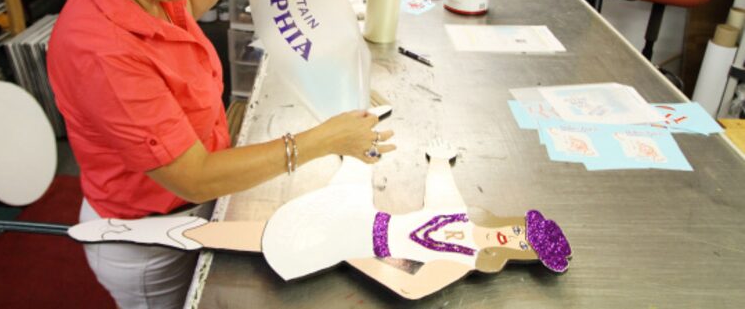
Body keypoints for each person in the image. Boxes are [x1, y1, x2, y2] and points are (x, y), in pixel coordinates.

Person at [47, 0, 396, 309]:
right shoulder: (102, 51)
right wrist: (324, 141)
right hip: (151, 238)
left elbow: (186, 2)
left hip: (188, 206)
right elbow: (192, 176)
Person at [69, 144, 572, 300]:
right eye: (522, 229)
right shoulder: (459, 215)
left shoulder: (460, 264)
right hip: (358, 216)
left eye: (522, 244)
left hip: (352, 237)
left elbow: (413, 290)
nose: (514, 236)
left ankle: (131, 231)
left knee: (247, 237)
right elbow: (441, 178)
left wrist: (354, 257)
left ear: (514, 254)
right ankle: (127, 228)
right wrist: (440, 159)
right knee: (358, 164)